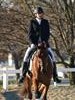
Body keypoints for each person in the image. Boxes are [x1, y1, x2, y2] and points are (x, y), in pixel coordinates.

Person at [18, 6, 61, 84]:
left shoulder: (46, 22)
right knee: (26, 56)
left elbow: (47, 34)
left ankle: (55, 76)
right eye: (38, 13)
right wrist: (34, 43)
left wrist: (45, 41)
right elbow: (30, 35)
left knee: (53, 57)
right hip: (34, 44)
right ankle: (23, 75)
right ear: (36, 14)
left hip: (44, 44)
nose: (40, 14)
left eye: (41, 13)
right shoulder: (32, 22)